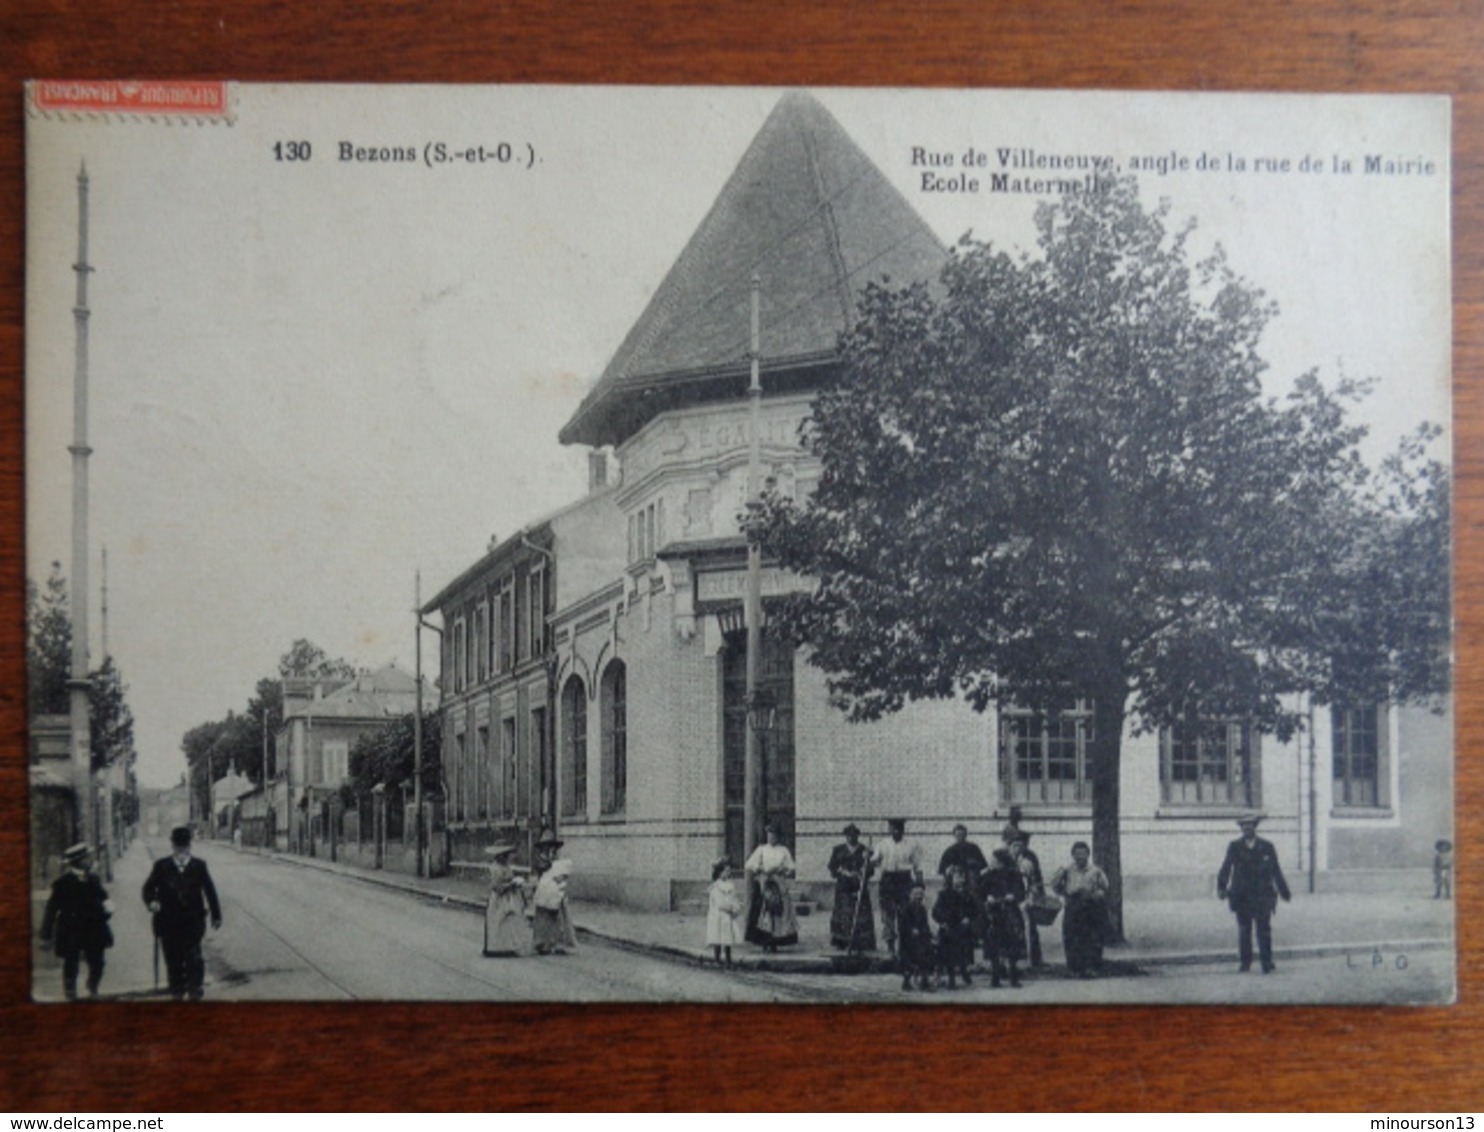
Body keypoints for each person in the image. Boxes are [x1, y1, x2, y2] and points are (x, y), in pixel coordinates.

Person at [142, 826, 222, 1001]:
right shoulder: (161, 866)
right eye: (178, 846)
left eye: (184, 846)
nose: (181, 851)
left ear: (189, 846)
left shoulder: (199, 866)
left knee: (194, 959)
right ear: (172, 846)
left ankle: (195, 991)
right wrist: (152, 901)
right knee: (173, 961)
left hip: (193, 924)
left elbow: (210, 891)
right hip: (168, 924)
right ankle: (177, 993)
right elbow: (148, 889)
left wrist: (216, 915)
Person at [1216, 812, 1292, 973]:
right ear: (1241, 828)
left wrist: (1284, 891)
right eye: (1243, 825)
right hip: (1241, 896)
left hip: (1263, 895)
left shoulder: (1267, 846)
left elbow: (1275, 870)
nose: (1246, 828)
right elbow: (1226, 867)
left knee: (1264, 930)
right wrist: (1221, 887)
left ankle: (1266, 962)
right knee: (1244, 930)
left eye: (1250, 824)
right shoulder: (1234, 846)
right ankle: (1245, 962)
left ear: (1255, 827)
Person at [40, 843, 114, 1000]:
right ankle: (70, 993)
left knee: (98, 963)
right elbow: (51, 909)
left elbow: (104, 897)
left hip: (94, 928)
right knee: (71, 963)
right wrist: (45, 935)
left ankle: (92, 987)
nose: (91, 859)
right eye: (88, 857)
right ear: (79, 861)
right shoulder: (62, 884)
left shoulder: (93, 879)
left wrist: (108, 906)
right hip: (71, 929)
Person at [1050, 841, 1110, 977]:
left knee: (1092, 938)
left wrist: (1098, 894)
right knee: (1072, 938)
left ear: (1088, 854)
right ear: (1072, 855)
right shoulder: (1067, 870)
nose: (1080, 858)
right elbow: (1056, 887)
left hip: (1091, 907)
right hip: (1073, 906)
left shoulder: (1096, 871)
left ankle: (1091, 968)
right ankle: (1074, 969)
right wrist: (1060, 881)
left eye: (1083, 854)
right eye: (1077, 855)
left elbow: (1104, 887)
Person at [873, 818, 922, 961]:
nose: (896, 831)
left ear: (903, 830)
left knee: (905, 913)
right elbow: (875, 860)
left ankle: (904, 946)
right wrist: (869, 858)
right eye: (893, 828)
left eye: (899, 829)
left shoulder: (911, 845)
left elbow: (917, 866)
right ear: (889, 829)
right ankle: (890, 946)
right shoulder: (882, 844)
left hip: (904, 880)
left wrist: (919, 883)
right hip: (887, 880)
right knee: (888, 915)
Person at [744, 823, 798, 951]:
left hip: (778, 882)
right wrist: (761, 868)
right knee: (764, 911)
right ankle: (764, 941)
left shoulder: (783, 850)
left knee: (779, 910)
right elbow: (749, 864)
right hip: (765, 881)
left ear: (778, 837)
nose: (771, 838)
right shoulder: (762, 849)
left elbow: (791, 867)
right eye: (769, 835)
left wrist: (783, 870)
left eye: (773, 836)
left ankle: (775, 941)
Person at [827, 823, 876, 952]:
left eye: (854, 835)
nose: (851, 838)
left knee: (860, 911)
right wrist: (841, 872)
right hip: (844, 886)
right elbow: (832, 867)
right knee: (843, 912)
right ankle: (841, 941)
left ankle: (861, 941)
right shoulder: (838, 850)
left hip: (858, 885)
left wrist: (864, 869)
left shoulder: (864, 850)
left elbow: (870, 871)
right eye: (848, 835)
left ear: (857, 836)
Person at [982, 846, 1027, 988]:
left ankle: (1013, 977)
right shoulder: (988, 875)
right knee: (993, 946)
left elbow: (1021, 892)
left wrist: (1013, 896)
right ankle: (995, 978)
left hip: (1010, 913)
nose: (991, 862)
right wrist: (987, 897)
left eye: (994, 860)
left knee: (1012, 945)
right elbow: (979, 892)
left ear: (1001, 861)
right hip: (994, 913)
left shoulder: (1015, 875)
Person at [1006, 827, 1046, 969]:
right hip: (1008, 899)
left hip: (1025, 898)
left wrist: (1036, 895)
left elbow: (1035, 879)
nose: (1018, 847)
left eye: (1021, 844)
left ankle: (1034, 959)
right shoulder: (1004, 858)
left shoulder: (1029, 858)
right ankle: (1012, 962)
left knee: (1030, 928)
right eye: (1015, 844)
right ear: (1009, 845)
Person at [531, 833, 576, 955]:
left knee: (559, 918)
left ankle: (559, 943)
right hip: (544, 891)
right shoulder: (540, 859)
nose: (551, 850)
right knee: (543, 919)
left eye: (552, 847)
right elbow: (539, 871)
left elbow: (560, 872)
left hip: (555, 891)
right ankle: (542, 943)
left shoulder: (556, 860)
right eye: (547, 847)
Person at [932, 866, 977, 989]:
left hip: (963, 927)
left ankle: (964, 970)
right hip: (949, 926)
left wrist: (968, 917)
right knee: (949, 948)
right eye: (956, 877)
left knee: (963, 949)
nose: (960, 880)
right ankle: (951, 977)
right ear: (950, 879)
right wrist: (943, 921)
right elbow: (936, 911)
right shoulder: (944, 894)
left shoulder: (968, 894)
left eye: (961, 877)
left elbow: (975, 910)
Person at [483, 842, 529, 957]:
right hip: (500, 899)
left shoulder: (505, 867)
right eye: (508, 854)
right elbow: (497, 887)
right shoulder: (496, 868)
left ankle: (508, 946)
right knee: (499, 920)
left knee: (509, 920)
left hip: (509, 897)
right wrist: (512, 884)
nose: (511, 857)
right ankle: (497, 947)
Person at [897, 879, 936, 992]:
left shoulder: (922, 909)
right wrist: (911, 930)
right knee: (909, 953)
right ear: (910, 894)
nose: (918, 897)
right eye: (916, 894)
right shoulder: (905, 909)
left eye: (920, 894)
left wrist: (930, 934)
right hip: (907, 940)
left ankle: (924, 978)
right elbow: (902, 926)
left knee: (929, 948)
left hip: (921, 938)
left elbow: (925, 925)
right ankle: (906, 980)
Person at [706, 858, 743, 967]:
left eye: (729, 871)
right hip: (718, 915)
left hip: (728, 915)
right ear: (719, 872)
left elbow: (734, 898)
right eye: (725, 871)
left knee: (728, 938)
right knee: (718, 937)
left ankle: (728, 959)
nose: (728, 873)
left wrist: (736, 908)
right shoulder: (715, 887)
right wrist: (729, 909)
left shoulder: (730, 886)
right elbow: (719, 902)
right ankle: (717, 959)